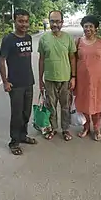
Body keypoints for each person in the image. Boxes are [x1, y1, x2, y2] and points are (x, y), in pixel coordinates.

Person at [0, 9, 37, 155]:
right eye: (20, 21)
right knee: (16, 114)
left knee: (26, 112)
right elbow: (1, 60)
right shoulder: (8, 39)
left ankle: (22, 135)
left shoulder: (28, 37)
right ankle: (14, 142)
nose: (24, 24)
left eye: (26, 21)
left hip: (28, 81)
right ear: (14, 21)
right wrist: (5, 81)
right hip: (15, 84)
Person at [38, 10, 76, 141]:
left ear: (62, 22)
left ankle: (65, 129)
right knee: (51, 106)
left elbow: (72, 58)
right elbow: (41, 59)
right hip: (49, 79)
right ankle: (53, 128)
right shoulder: (44, 39)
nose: (55, 24)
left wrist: (73, 77)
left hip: (65, 78)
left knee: (66, 106)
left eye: (58, 21)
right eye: (52, 21)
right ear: (49, 22)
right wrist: (40, 80)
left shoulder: (68, 38)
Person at [74, 15, 101, 141]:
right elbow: (73, 60)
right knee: (83, 103)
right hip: (82, 79)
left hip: (97, 79)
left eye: (91, 26)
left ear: (96, 28)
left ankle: (97, 128)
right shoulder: (78, 41)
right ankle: (86, 127)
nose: (88, 29)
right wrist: (73, 77)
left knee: (96, 103)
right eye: (85, 26)